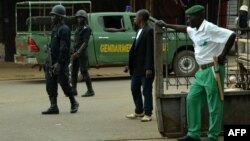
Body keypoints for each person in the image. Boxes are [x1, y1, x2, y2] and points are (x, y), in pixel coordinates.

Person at [157, 5, 236, 141]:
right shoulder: (194, 29)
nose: (188, 21)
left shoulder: (209, 28)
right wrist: (165, 25)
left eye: (190, 18)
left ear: (200, 17)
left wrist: (223, 54)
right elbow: (184, 28)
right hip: (201, 72)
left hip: (213, 70)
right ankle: (193, 134)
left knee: (214, 105)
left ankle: (213, 136)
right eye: (187, 18)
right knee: (192, 98)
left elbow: (231, 35)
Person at [42, 5, 79, 114]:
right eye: (52, 15)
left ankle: (74, 102)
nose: (52, 17)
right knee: (50, 84)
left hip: (60, 62)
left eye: (54, 15)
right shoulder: (55, 28)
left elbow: (64, 48)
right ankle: (53, 106)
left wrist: (59, 63)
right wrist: (48, 48)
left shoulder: (64, 29)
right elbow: (54, 44)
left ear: (60, 16)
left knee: (64, 83)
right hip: (51, 61)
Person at [124, 9, 154, 122]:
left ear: (141, 18)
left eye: (136, 16)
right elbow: (135, 50)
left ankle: (147, 113)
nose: (134, 19)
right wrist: (128, 64)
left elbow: (149, 51)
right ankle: (139, 111)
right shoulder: (139, 30)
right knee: (134, 88)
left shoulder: (149, 30)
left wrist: (149, 67)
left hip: (146, 68)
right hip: (136, 67)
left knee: (146, 91)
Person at [71, 10, 95, 97]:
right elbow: (76, 41)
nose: (79, 19)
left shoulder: (86, 29)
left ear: (84, 18)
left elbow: (85, 43)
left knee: (84, 71)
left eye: (81, 17)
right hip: (76, 52)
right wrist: (74, 50)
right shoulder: (77, 28)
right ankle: (73, 90)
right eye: (78, 17)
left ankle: (90, 90)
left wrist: (78, 52)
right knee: (74, 71)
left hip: (82, 52)